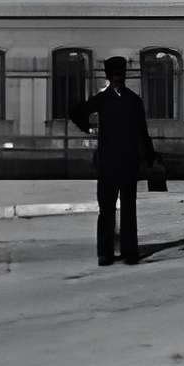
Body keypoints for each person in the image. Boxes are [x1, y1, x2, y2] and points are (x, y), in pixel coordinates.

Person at [70, 56, 159, 266]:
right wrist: (150, 157)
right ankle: (117, 253)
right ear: (112, 76)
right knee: (117, 210)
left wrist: (150, 156)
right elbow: (143, 134)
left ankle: (116, 253)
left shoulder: (113, 99)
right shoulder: (127, 100)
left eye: (119, 75)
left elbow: (142, 133)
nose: (118, 78)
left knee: (117, 210)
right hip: (119, 162)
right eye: (117, 74)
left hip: (117, 162)